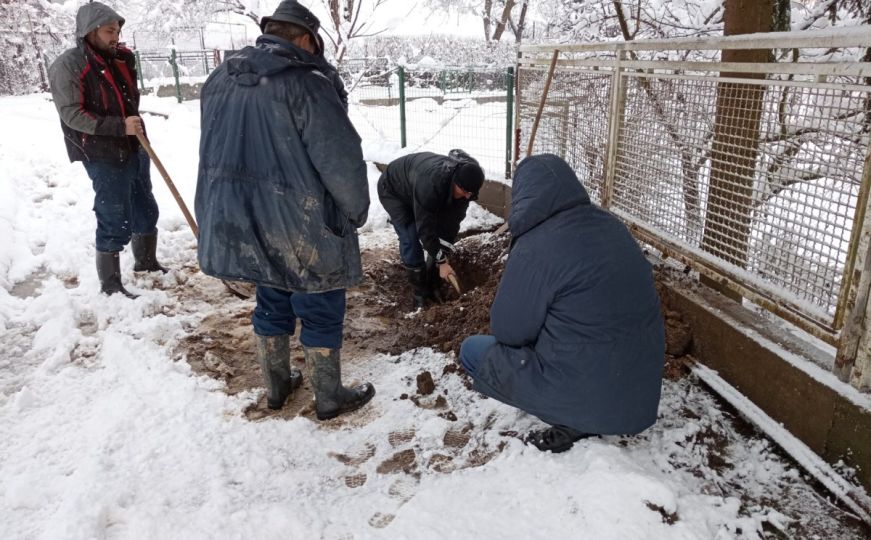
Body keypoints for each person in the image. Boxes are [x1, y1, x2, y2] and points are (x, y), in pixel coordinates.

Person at [195, 0, 374, 419]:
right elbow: (340, 158)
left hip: (239, 214)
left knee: (271, 291)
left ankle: (276, 386)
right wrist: (354, 211)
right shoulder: (305, 82)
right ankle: (329, 396)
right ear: (307, 38)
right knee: (320, 298)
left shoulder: (220, 78)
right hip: (300, 217)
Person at [459, 154, 665, 453]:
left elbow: (508, 332)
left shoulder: (535, 246)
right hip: (640, 396)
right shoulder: (613, 227)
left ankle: (573, 418)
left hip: (587, 397)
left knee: (473, 351)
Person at [49, 1, 166, 298]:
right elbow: (72, 114)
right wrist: (118, 127)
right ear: (90, 32)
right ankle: (111, 284)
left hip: (135, 144)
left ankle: (146, 261)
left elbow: (126, 102)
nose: (115, 36)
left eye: (117, 30)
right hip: (101, 151)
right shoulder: (69, 65)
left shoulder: (122, 58)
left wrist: (133, 130)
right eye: (109, 31)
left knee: (145, 205)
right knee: (114, 213)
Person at [377, 150, 485, 308]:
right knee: (411, 236)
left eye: (471, 194)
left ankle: (432, 284)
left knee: (442, 226)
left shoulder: (466, 184)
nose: (467, 197)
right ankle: (419, 294)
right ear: (455, 182)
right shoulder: (431, 184)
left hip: (417, 185)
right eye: (465, 192)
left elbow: (451, 224)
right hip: (394, 189)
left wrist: (442, 258)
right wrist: (442, 262)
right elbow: (425, 230)